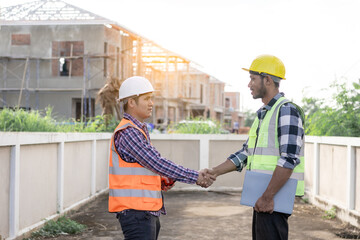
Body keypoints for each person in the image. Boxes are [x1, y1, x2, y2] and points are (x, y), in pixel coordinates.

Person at [207, 54, 305, 240]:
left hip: (273, 199)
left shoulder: (286, 110)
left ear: (267, 80)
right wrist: (214, 172)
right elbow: (246, 153)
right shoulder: (264, 114)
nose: (249, 84)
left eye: (253, 79)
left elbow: (289, 159)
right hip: (264, 198)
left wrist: (268, 197)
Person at [108, 76, 215, 240]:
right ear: (131, 102)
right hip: (137, 213)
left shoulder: (137, 129)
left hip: (144, 211)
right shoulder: (129, 132)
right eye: (146, 99)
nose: (151, 103)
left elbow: (145, 167)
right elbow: (156, 162)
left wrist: (161, 179)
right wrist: (196, 176)